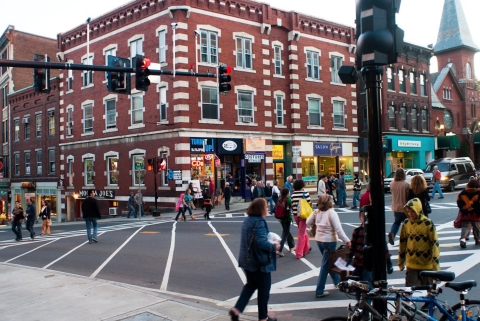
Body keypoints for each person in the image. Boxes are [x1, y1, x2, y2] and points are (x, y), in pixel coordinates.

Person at [229, 198, 279, 321]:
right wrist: (274, 246)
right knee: (264, 290)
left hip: (246, 260)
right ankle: (263, 317)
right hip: (259, 262)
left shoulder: (247, 220)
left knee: (250, 285)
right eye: (266, 206)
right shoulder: (260, 222)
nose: (267, 209)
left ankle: (236, 309)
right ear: (261, 209)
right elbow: (260, 242)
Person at [306, 194, 351, 298]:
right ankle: (319, 290)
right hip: (330, 241)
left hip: (319, 240)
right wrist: (347, 241)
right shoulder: (332, 213)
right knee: (326, 265)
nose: (333, 202)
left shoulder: (317, 212)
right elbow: (339, 230)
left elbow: (308, 221)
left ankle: (337, 282)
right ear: (329, 203)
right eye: (332, 201)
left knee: (330, 262)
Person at [347, 207, 393, 301]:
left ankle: (366, 308)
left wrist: (388, 262)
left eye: (367, 216)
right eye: (362, 215)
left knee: (367, 287)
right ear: (360, 218)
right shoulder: (357, 231)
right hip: (357, 264)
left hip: (369, 266)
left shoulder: (376, 232)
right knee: (358, 287)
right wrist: (349, 259)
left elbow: (384, 248)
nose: (365, 218)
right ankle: (360, 304)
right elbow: (353, 247)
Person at [398, 198, 440, 288]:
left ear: (418, 209)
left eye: (412, 211)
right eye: (408, 211)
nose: (410, 214)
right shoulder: (406, 223)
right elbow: (402, 242)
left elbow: (434, 244)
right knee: (409, 291)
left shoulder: (427, 223)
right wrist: (400, 261)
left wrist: (436, 266)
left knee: (429, 291)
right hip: (411, 263)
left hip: (426, 264)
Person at [388, 168, 410, 245]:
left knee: (396, 222)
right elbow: (408, 195)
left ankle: (392, 233)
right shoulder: (406, 184)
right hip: (404, 207)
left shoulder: (392, 184)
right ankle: (407, 238)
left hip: (395, 207)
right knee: (407, 224)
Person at [291, 179, 312, 259]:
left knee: (302, 232)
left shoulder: (293, 195)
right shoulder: (305, 193)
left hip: (296, 215)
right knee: (301, 235)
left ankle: (306, 248)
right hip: (303, 216)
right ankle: (299, 253)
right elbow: (309, 204)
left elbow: (293, 205)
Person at [456, 179, 480, 248]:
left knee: (465, 227)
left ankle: (463, 239)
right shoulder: (478, 193)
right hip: (476, 214)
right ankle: (478, 239)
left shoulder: (462, 193)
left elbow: (458, 202)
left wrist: (462, 208)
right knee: (477, 228)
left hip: (465, 213)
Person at [277, 188, 295, 257]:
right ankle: (279, 249)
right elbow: (293, 207)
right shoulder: (288, 200)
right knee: (285, 234)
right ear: (287, 193)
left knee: (287, 232)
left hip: (281, 219)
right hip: (287, 218)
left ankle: (292, 246)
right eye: (289, 192)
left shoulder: (280, 199)